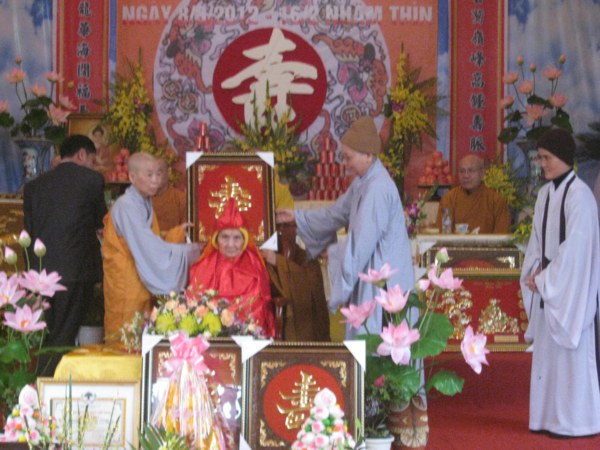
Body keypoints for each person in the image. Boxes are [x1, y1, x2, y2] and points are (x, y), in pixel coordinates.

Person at [277, 116, 414, 339]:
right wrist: (297, 217)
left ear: (368, 155)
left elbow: (361, 246)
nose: (346, 164)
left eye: (349, 157)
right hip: (369, 275)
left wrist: (333, 252)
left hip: (384, 285)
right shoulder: (363, 181)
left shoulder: (378, 188)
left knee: (381, 346)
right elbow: (336, 213)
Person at [520, 128, 600, 437]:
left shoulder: (581, 196)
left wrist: (547, 279)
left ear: (564, 157)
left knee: (571, 359)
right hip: (549, 287)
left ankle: (576, 422)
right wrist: (534, 272)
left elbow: (577, 250)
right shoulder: (544, 195)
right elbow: (537, 243)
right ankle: (547, 419)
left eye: (547, 157)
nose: (542, 164)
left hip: (569, 291)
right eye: (540, 158)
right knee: (548, 359)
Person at [23, 134, 107, 375]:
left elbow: (29, 233)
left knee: (46, 334)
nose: (93, 166)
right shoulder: (91, 180)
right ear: (81, 154)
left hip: (40, 273)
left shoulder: (34, 186)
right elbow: (101, 221)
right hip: (75, 270)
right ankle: (48, 384)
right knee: (65, 334)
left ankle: (41, 382)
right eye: (92, 160)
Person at [102, 152, 201, 344]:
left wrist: (176, 234)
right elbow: (147, 245)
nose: (156, 180)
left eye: (159, 174)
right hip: (126, 284)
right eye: (149, 175)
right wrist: (190, 251)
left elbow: (150, 239)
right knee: (124, 339)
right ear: (132, 177)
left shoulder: (143, 201)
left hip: (139, 282)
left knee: (141, 338)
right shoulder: (126, 206)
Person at [188, 197, 275, 337]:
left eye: (237, 238)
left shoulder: (254, 264)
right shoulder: (203, 265)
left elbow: (255, 304)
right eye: (225, 237)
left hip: (243, 330)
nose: (230, 244)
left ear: (244, 240)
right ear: (216, 239)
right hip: (209, 332)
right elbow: (194, 299)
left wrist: (227, 317)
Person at [261, 178, 331, 341]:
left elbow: (307, 285)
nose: (284, 231)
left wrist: (276, 261)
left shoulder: (302, 256)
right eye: (280, 227)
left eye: (288, 227)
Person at [435, 154, 510, 234]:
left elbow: (502, 234)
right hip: (455, 242)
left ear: (482, 173)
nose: (466, 175)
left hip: (486, 242)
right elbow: (441, 232)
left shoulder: (495, 200)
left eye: (471, 171)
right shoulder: (449, 198)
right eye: (462, 171)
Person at [151, 157, 187, 234]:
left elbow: (186, 232)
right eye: (150, 174)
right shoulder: (141, 199)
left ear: (169, 172)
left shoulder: (181, 199)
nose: (154, 178)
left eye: (158, 173)